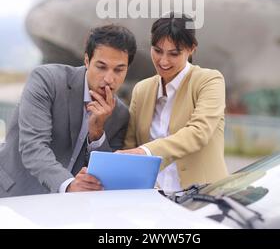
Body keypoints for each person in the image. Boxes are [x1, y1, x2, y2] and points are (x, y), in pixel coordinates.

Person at [0, 24, 136, 197]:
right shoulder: (47, 80)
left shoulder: (120, 115)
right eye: (101, 67)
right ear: (87, 61)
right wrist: (68, 184)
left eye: (119, 70)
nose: (109, 79)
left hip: (67, 208)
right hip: (13, 193)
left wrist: (97, 133)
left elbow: (104, 174)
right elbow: (32, 146)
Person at [119, 12, 228, 192]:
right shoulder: (142, 89)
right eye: (157, 50)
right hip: (154, 199)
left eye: (174, 53)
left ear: (191, 49)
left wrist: (146, 152)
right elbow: (129, 145)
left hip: (204, 198)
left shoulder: (210, 81)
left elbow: (198, 133)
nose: (163, 61)